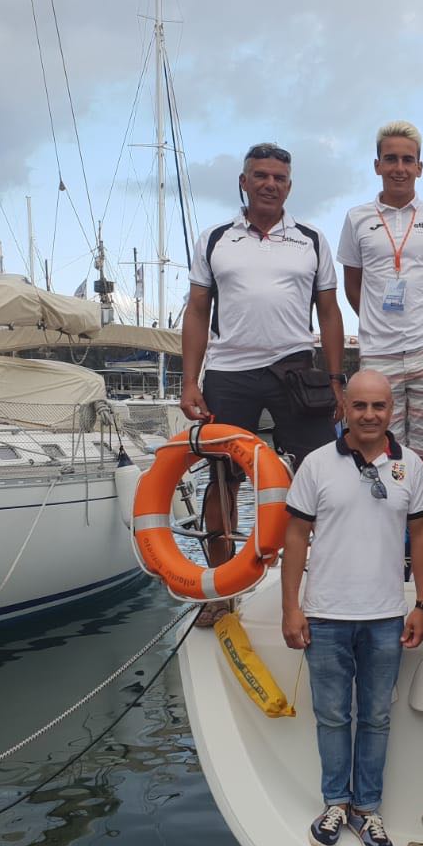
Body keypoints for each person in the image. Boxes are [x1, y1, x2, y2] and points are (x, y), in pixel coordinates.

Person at [183, 141, 347, 627]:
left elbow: (330, 311)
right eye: (260, 175)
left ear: (289, 186)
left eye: (278, 177)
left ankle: (321, 584)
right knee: (220, 478)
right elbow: (196, 310)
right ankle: (220, 587)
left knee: (319, 475)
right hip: (230, 371)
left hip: (296, 369)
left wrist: (337, 379)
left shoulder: (312, 239)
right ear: (244, 182)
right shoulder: (215, 238)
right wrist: (190, 381)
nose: (270, 184)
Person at [281, 369, 423, 846]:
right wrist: (291, 607)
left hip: (386, 615)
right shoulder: (316, 464)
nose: (370, 415)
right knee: (330, 716)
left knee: (375, 716)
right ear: (344, 408)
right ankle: (335, 803)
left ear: (393, 411)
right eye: (360, 406)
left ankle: (367, 808)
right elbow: (295, 538)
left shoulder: (409, 466)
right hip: (325, 613)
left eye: (379, 407)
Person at [338, 121, 423, 503]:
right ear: (377, 165)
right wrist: (377, 319)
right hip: (379, 353)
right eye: (391, 159)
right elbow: (352, 285)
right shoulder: (357, 218)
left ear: (420, 167)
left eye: (408, 160)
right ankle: (386, 538)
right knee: (378, 450)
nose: (399, 168)